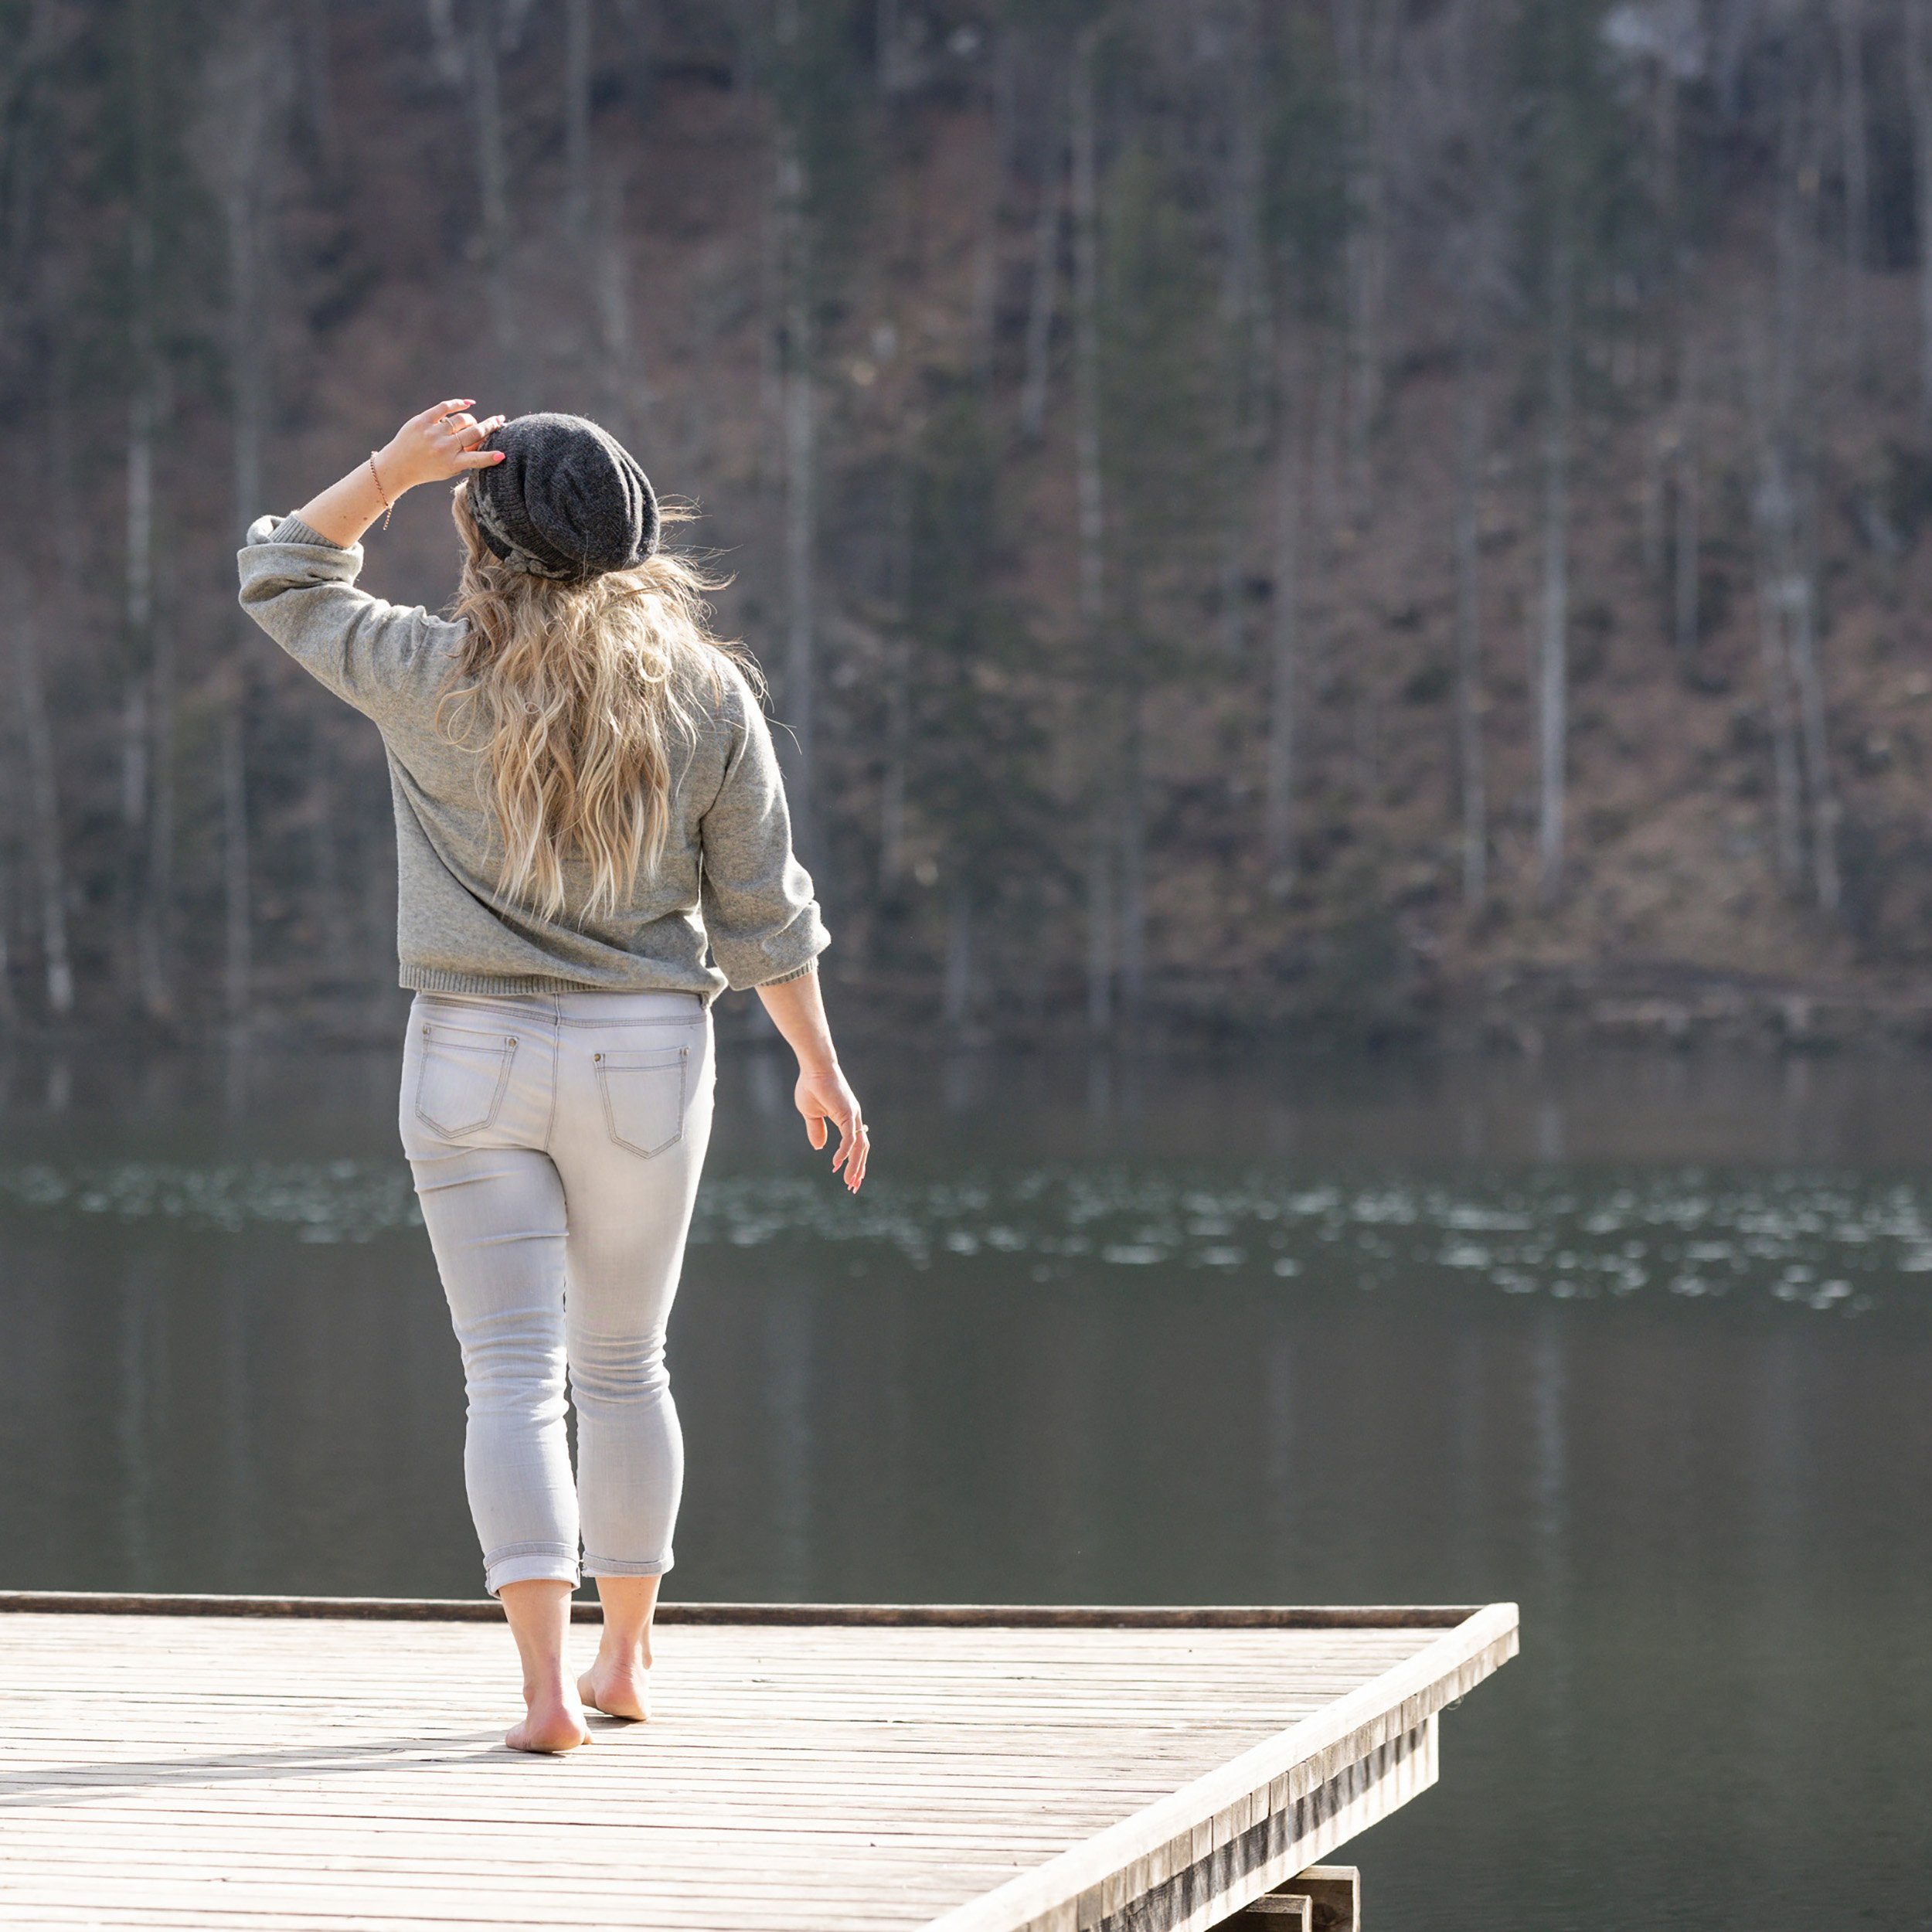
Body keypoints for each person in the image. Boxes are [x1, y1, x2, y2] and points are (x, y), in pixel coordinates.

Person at [238, 399, 867, 1753]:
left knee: (510, 1378)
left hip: (469, 1051)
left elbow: (280, 571)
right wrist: (818, 1064)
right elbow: (767, 908)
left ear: (483, 533)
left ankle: (539, 1695)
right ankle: (627, 1662)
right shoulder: (707, 694)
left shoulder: (426, 669)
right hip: (648, 1054)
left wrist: (389, 475)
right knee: (627, 1365)